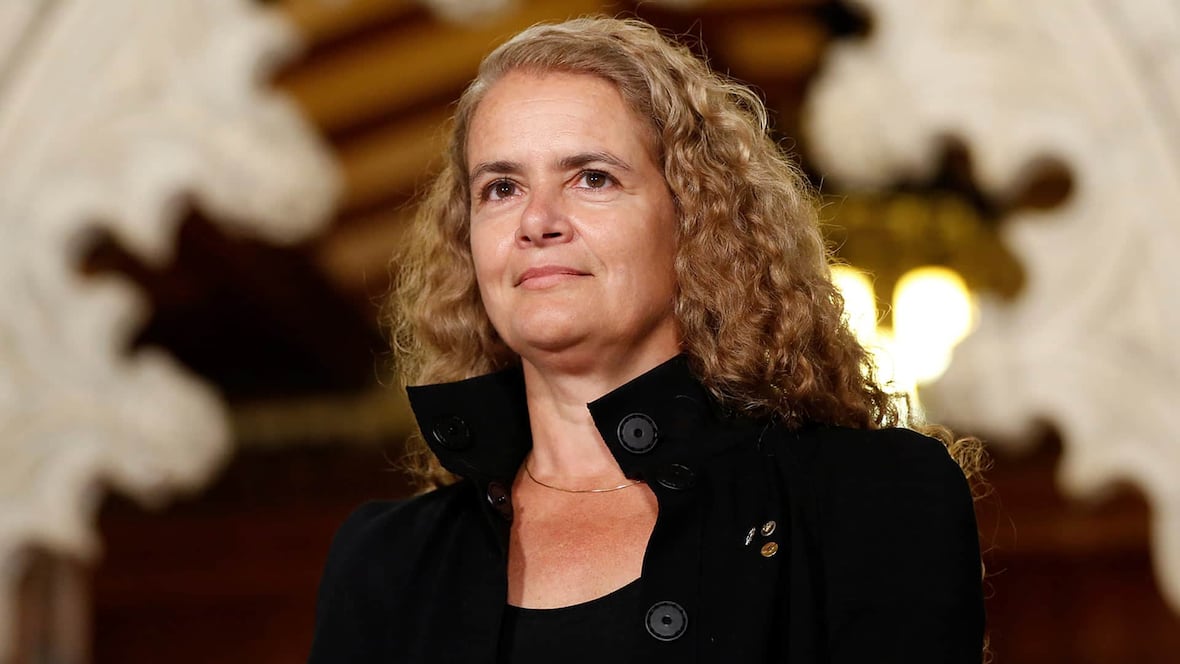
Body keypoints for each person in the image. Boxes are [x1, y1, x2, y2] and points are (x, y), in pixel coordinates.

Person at [308, 15, 986, 663]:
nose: (537, 221)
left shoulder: (874, 498)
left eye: (592, 178)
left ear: (694, 220)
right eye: (502, 187)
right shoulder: (387, 561)